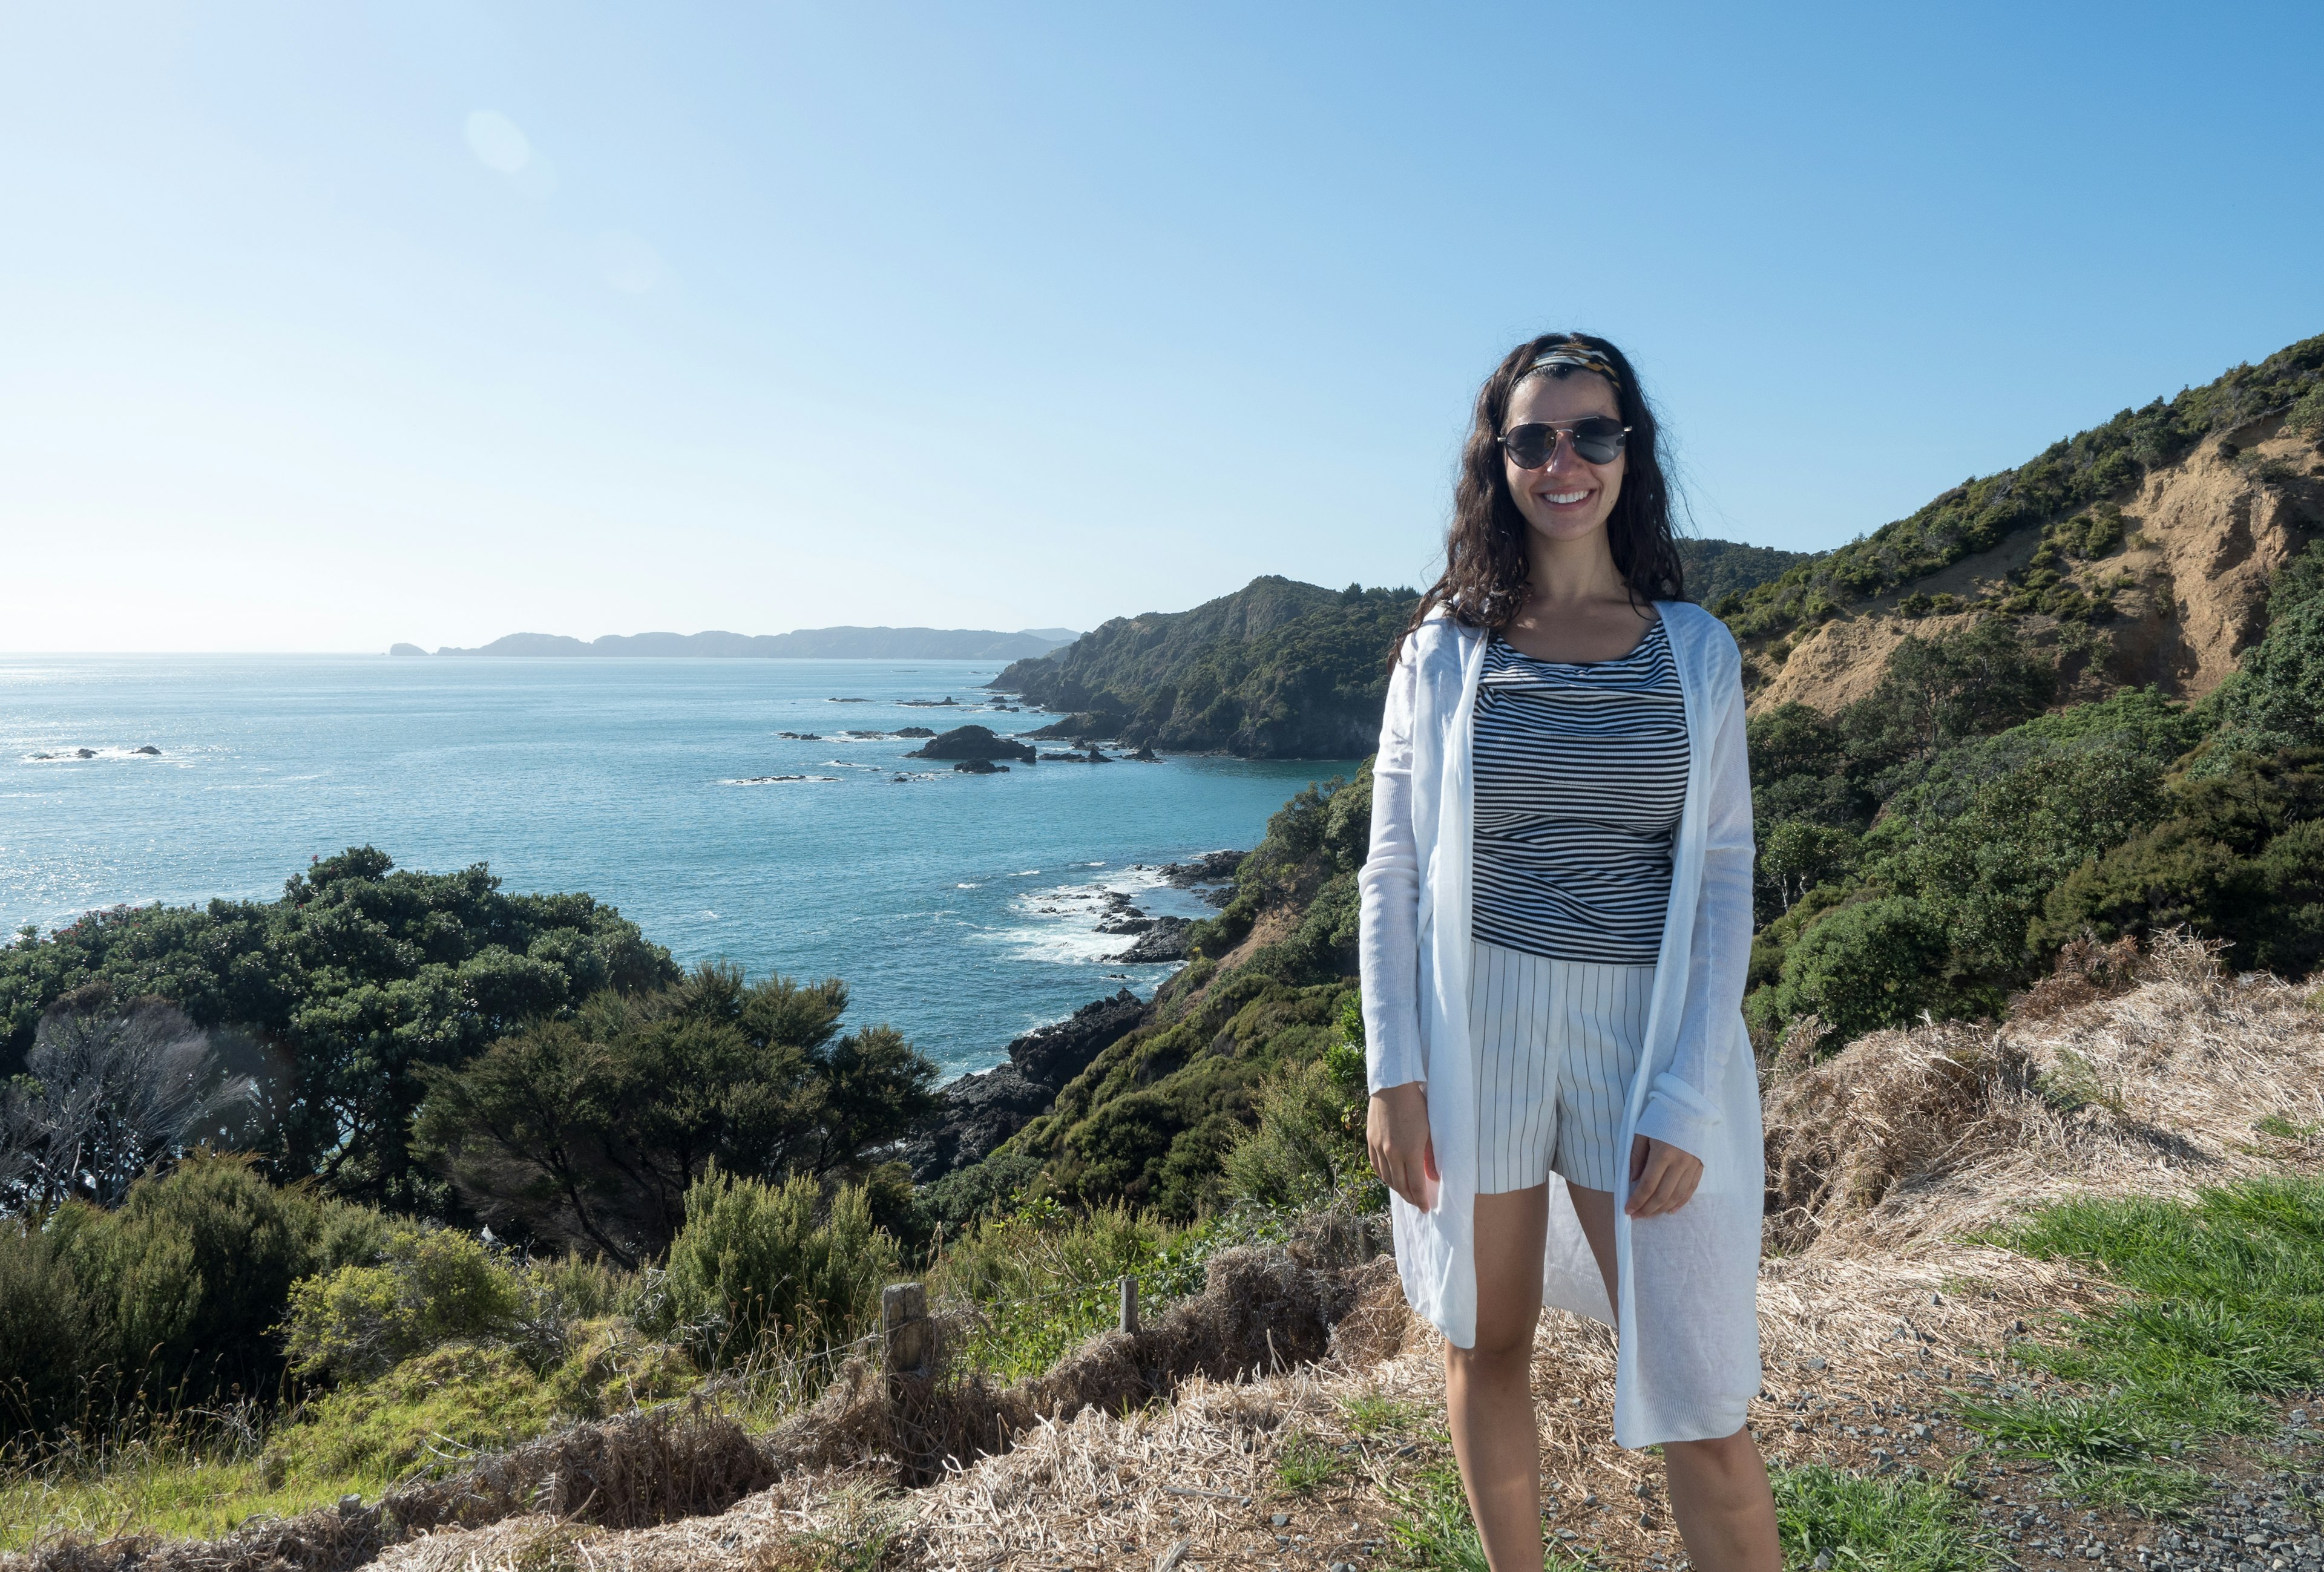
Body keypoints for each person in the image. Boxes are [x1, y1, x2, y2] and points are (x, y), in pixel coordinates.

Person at [1359, 333, 1774, 1572]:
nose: (1563, 460)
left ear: (1627, 453)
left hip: (1637, 1034)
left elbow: (1718, 879)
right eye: (1534, 438)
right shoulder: (1441, 649)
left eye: (1592, 433)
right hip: (1474, 1029)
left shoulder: (1694, 650)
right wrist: (1393, 1071)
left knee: (1702, 1394)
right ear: (1500, 461)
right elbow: (1390, 870)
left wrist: (1690, 1089)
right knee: (1486, 1339)